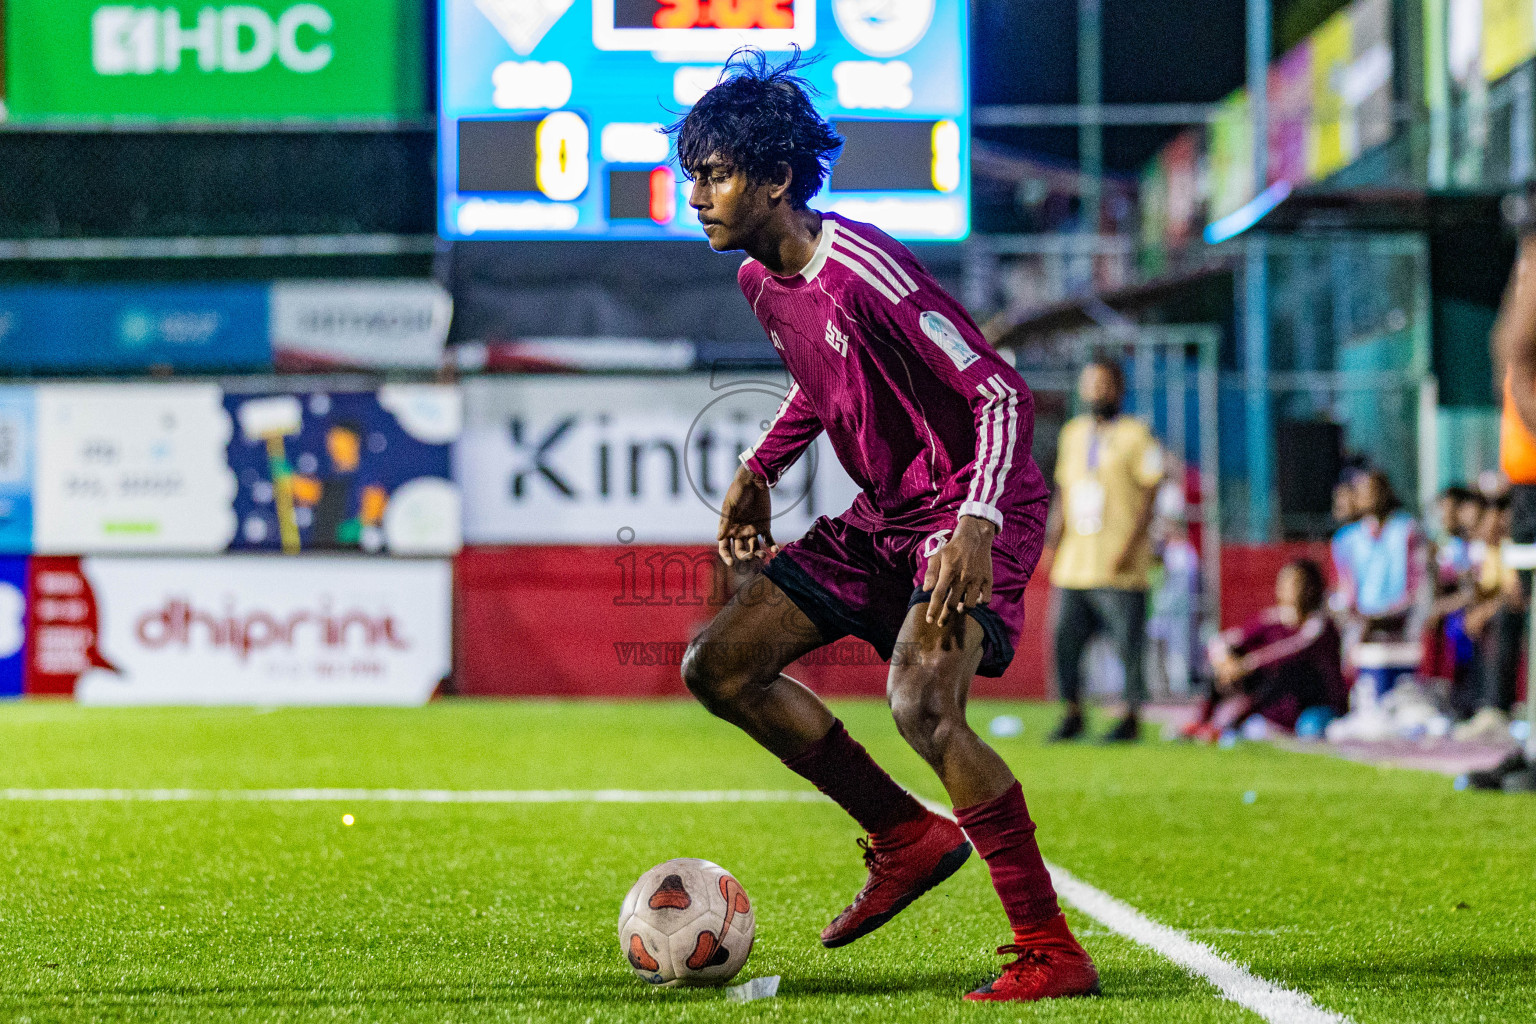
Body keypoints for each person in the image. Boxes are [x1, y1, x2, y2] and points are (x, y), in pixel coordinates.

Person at [669, 51, 1098, 1002]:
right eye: (691, 173)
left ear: (777, 180)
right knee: (719, 664)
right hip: (887, 514)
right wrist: (758, 468)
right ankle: (903, 837)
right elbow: (826, 387)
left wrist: (978, 525)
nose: (695, 194)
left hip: (971, 506)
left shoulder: (866, 268)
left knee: (922, 706)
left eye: (716, 174)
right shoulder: (759, 280)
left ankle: (1050, 951)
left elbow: (998, 391)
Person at [1046, 359, 1165, 742]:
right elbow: (1064, 491)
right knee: (1065, 639)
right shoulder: (1073, 433)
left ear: (1119, 388)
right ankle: (1073, 712)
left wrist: (1131, 546)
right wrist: (1053, 537)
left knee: (1127, 645)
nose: (1097, 391)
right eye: (1090, 384)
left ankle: (1130, 717)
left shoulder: (1138, 434)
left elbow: (1150, 493)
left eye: (1104, 384)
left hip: (1120, 563)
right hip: (1075, 562)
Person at [1181, 559, 1345, 741]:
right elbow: (1225, 640)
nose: (1285, 587)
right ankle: (1205, 721)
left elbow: (1292, 649)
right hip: (1278, 705)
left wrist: (1246, 664)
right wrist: (1223, 659)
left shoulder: (1319, 625)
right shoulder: (1273, 618)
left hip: (1315, 706)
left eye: (1294, 582)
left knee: (1309, 729)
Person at [1332, 470, 1426, 700]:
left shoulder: (1407, 530)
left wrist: (1386, 615)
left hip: (1404, 617)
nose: (1369, 497)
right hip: (1363, 620)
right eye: (1363, 491)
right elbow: (1347, 590)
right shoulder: (1347, 539)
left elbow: (1418, 585)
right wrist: (1356, 616)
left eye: (1374, 490)